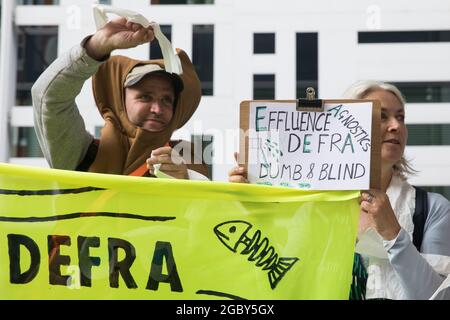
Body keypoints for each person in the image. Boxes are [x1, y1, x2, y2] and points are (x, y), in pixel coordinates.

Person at [228, 81, 450, 299]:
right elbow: (273, 277)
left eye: (400, 117)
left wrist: (394, 233)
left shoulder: (431, 209)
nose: (396, 126)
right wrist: (252, 208)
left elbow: (438, 297)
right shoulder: (308, 203)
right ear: (343, 129)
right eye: (381, 116)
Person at [32, 17, 208, 179]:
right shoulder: (82, 154)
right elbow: (48, 98)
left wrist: (187, 181)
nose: (157, 109)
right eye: (145, 97)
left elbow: (209, 210)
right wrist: (97, 46)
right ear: (119, 101)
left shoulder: (184, 159)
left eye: (167, 100)